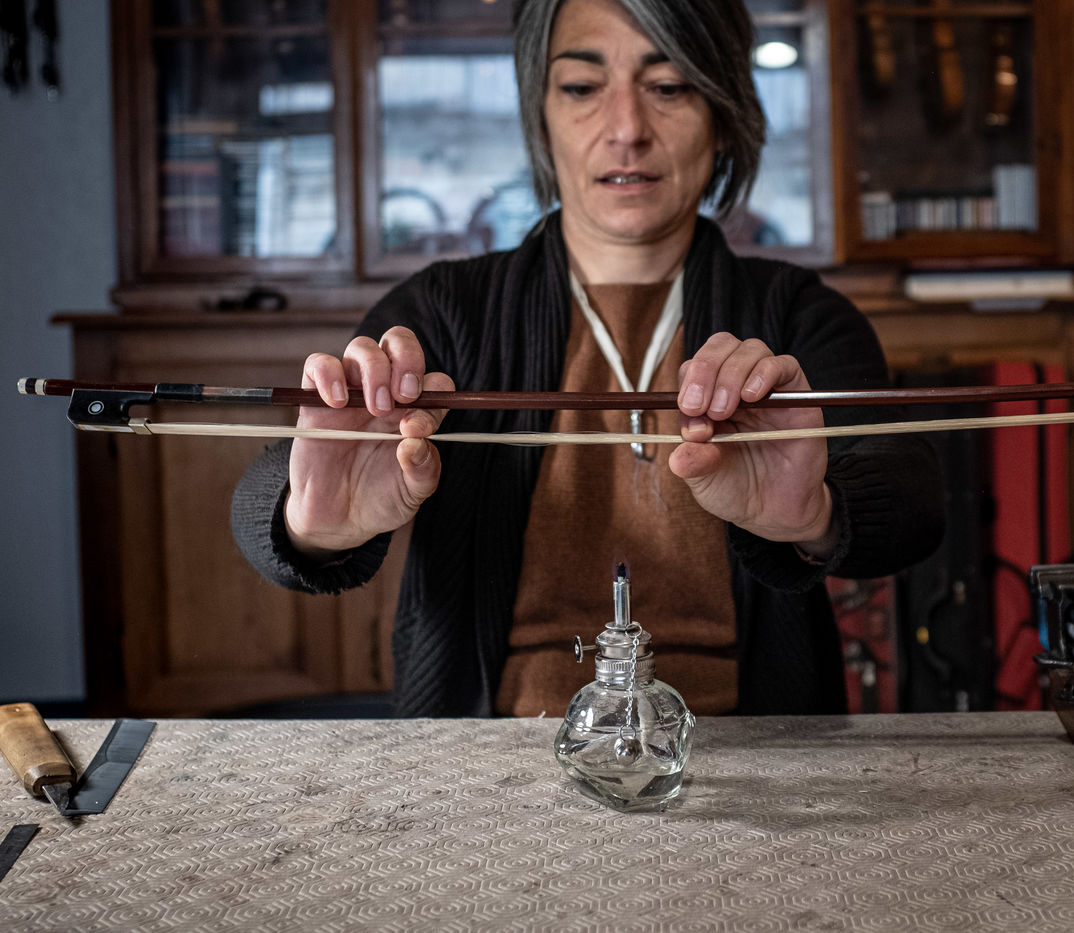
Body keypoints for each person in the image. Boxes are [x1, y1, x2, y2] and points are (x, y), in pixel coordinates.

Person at [232, 0, 943, 718]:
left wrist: (816, 513)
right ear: (539, 115)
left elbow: (913, 499)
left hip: (757, 750)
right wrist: (309, 524)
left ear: (724, 116)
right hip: (488, 749)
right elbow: (274, 489)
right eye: (581, 87)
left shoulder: (798, 314)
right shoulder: (442, 308)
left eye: (668, 87)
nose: (627, 129)